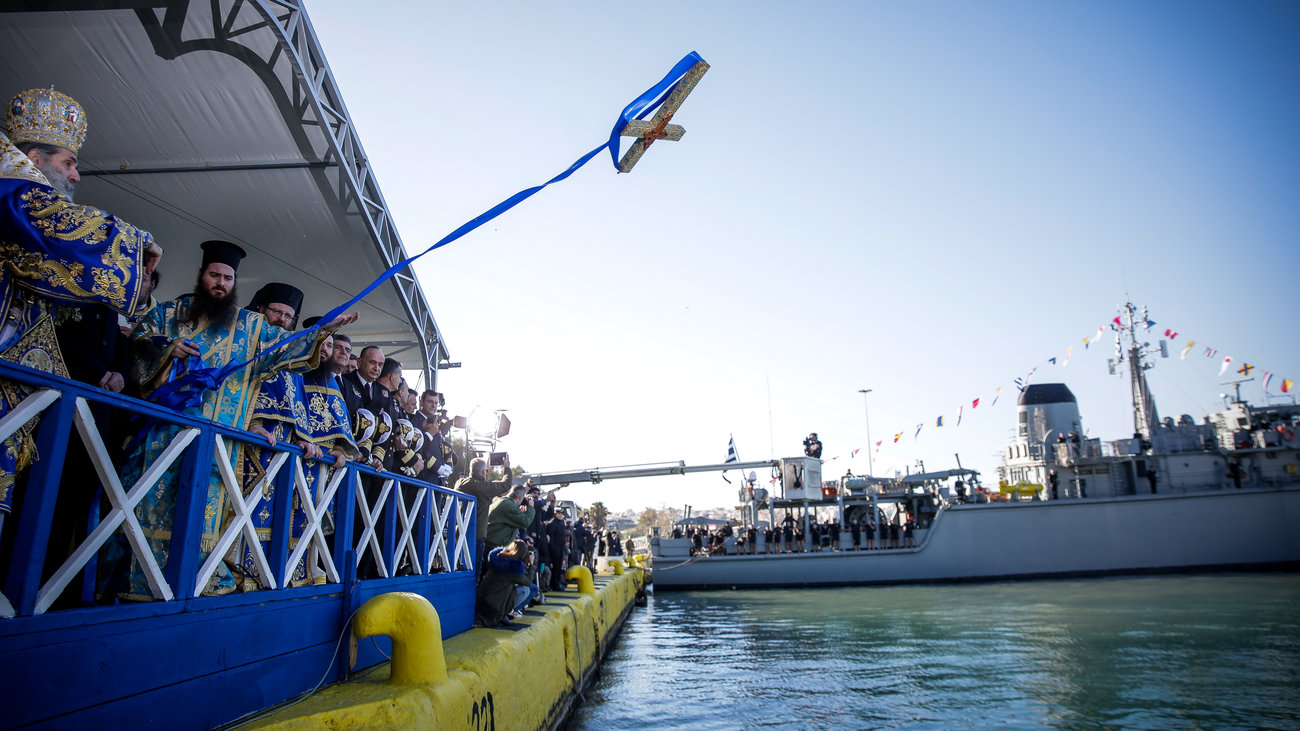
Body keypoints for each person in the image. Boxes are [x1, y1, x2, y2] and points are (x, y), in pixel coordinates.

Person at [106, 241, 356, 599]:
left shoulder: (251, 327)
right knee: (151, 509)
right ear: (201, 276)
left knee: (208, 516)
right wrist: (166, 348)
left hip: (221, 445)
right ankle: (141, 586)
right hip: (163, 438)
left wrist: (321, 333)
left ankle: (200, 583)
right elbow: (137, 345)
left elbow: (287, 345)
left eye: (227, 277)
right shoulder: (168, 313)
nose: (220, 283)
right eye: (214, 275)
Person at [1, 88, 156, 545]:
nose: (76, 174)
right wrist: (136, 241)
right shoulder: (12, 193)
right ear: (33, 157)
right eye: (68, 162)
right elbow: (61, 231)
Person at [453, 456, 513, 572]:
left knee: (459, 566)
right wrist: (507, 468)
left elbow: (475, 480)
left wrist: (484, 469)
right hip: (476, 534)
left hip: (459, 531)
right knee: (474, 570)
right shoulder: (482, 487)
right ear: (483, 472)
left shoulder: (460, 483)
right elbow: (506, 485)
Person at [475, 538, 531, 628]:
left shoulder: (499, 559)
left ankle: (505, 614)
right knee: (526, 590)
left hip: (483, 603)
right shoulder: (512, 568)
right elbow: (527, 582)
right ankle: (506, 614)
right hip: (494, 609)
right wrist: (531, 564)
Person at [485, 484, 535, 553]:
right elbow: (526, 521)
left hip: (491, 544)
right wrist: (531, 507)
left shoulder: (503, 501)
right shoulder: (508, 505)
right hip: (493, 548)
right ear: (520, 497)